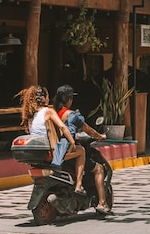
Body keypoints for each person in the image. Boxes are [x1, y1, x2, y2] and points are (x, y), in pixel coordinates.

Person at [54, 84, 110, 213]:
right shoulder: (72, 115)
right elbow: (88, 130)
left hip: (57, 152)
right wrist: (100, 136)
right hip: (69, 151)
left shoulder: (54, 113)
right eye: (71, 98)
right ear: (68, 99)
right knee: (98, 168)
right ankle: (102, 202)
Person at [17, 85, 84, 191]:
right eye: (47, 96)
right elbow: (62, 127)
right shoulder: (48, 111)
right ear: (44, 98)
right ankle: (79, 185)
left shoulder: (31, 114)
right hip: (51, 153)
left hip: (40, 154)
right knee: (81, 151)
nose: (49, 98)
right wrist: (72, 142)